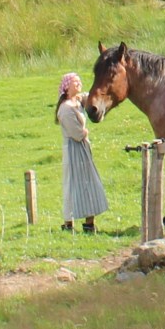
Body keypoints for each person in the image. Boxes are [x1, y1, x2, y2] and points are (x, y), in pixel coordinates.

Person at [56, 72, 108, 233]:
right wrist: (85, 131)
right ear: (67, 86)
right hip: (74, 150)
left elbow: (92, 98)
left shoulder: (77, 101)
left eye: (79, 81)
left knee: (88, 183)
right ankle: (68, 223)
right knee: (74, 184)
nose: (79, 84)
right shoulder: (65, 108)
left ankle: (89, 222)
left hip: (83, 150)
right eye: (75, 82)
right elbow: (77, 134)